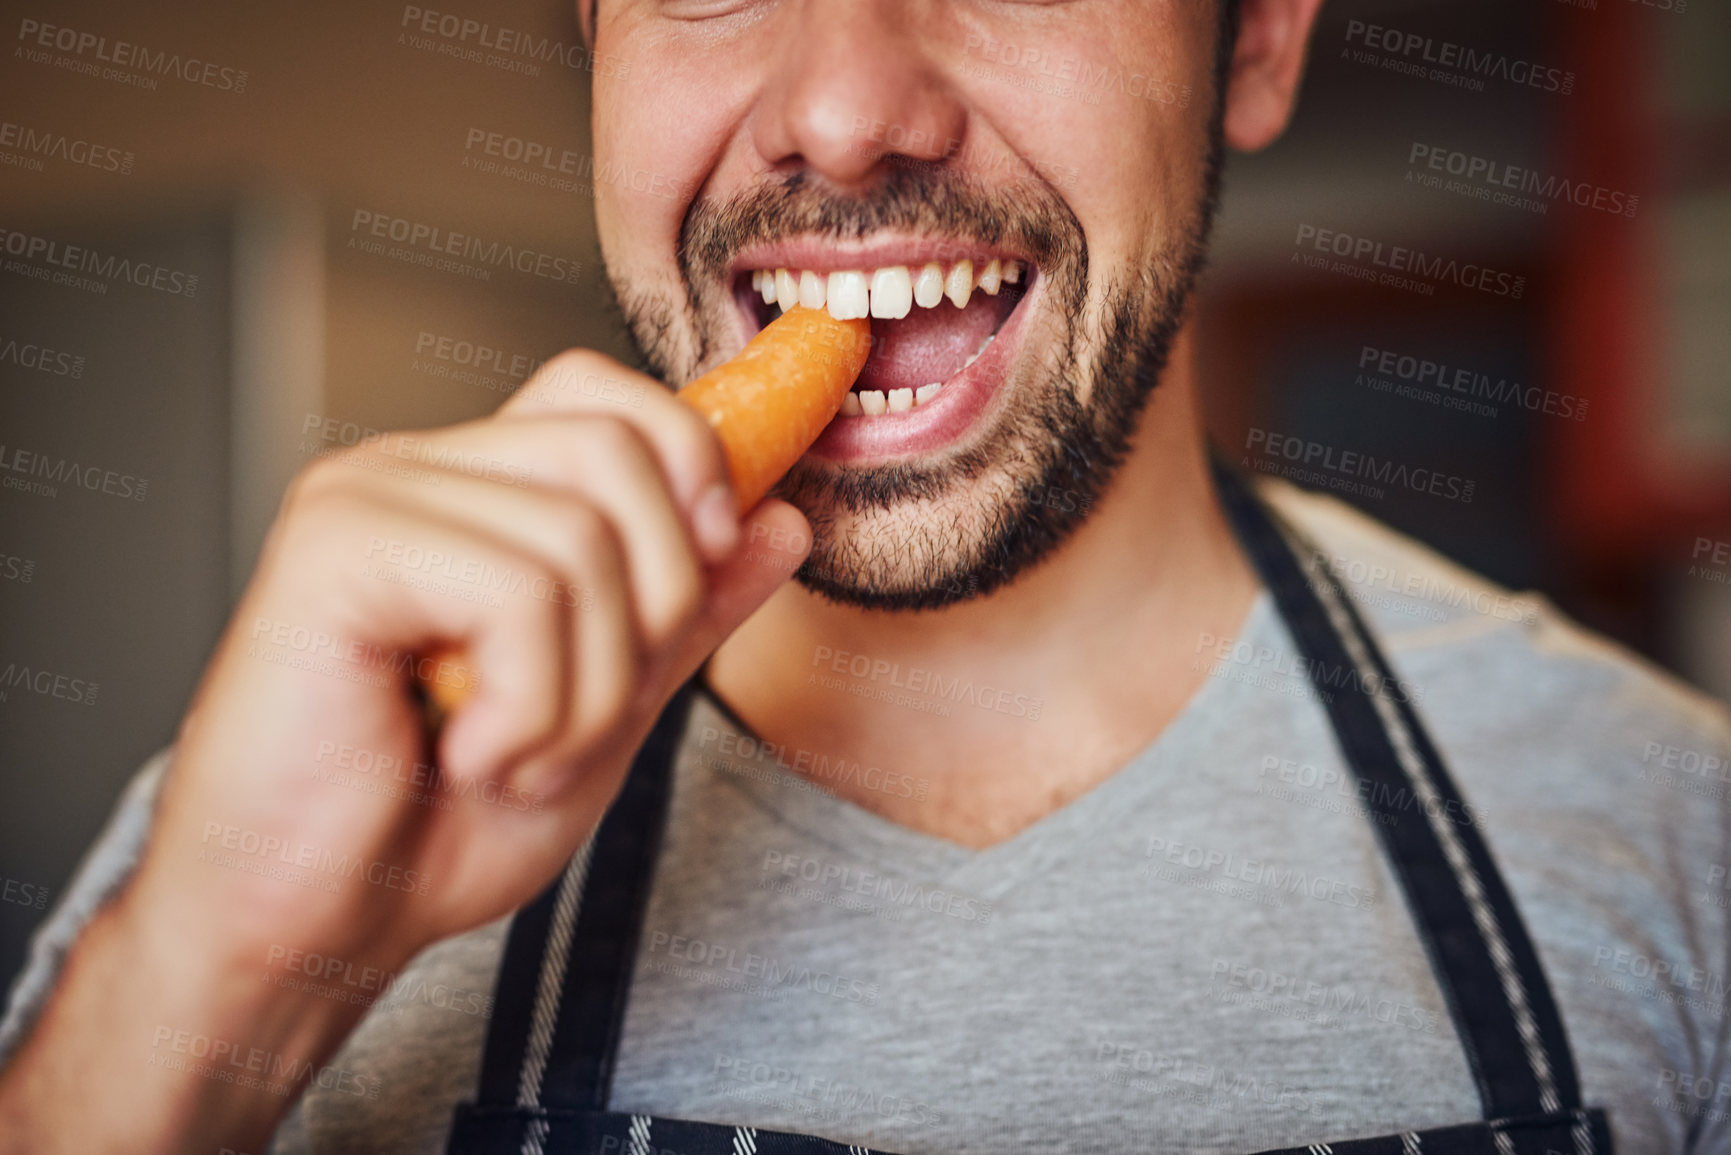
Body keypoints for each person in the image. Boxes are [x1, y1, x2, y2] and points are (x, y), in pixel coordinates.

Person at [1, 0, 1726, 1152]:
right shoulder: (281, 822)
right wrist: (219, 977)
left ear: (1257, 39)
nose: (843, 114)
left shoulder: (1675, 842)